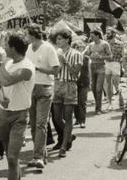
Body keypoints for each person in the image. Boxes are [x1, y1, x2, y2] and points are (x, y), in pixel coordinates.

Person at [0, 34, 34, 180]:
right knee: (10, 157)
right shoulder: (8, 63)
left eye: (6, 45)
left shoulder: (27, 67)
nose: (4, 48)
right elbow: (1, 88)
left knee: (12, 157)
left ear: (13, 48)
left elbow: (7, 80)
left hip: (20, 115)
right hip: (4, 114)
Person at [25, 24, 60, 169]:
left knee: (41, 123)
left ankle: (37, 156)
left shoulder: (48, 48)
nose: (25, 36)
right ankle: (41, 153)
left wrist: (38, 68)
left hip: (45, 88)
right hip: (30, 88)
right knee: (33, 125)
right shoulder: (28, 48)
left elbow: (56, 70)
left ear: (33, 34)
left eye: (26, 34)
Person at [51, 29, 82, 157]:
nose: (57, 41)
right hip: (57, 84)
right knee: (57, 117)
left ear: (67, 40)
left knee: (68, 117)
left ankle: (63, 146)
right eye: (56, 39)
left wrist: (65, 61)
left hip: (70, 85)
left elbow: (76, 73)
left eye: (59, 39)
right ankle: (68, 136)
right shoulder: (55, 53)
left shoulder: (76, 54)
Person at [84, 30, 110, 114]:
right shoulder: (90, 45)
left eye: (92, 36)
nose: (91, 38)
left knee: (99, 88)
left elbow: (110, 56)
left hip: (101, 67)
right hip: (92, 67)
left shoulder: (105, 44)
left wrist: (101, 57)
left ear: (98, 36)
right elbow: (86, 54)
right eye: (90, 36)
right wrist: (89, 56)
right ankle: (98, 105)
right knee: (93, 88)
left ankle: (98, 108)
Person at [106, 30, 125, 111]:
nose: (107, 34)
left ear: (113, 34)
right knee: (108, 84)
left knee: (116, 84)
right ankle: (110, 104)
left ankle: (121, 101)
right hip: (107, 64)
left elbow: (123, 55)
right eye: (106, 33)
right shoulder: (105, 43)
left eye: (108, 33)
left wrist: (122, 66)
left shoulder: (120, 44)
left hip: (116, 64)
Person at [73, 40, 89, 128]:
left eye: (81, 47)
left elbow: (89, 70)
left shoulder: (86, 58)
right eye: (77, 48)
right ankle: (77, 119)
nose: (79, 49)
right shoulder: (72, 57)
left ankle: (82, 121)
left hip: (84, 81)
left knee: (82, 102)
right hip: (74, 82)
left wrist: (90, 82)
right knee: (75, 102)